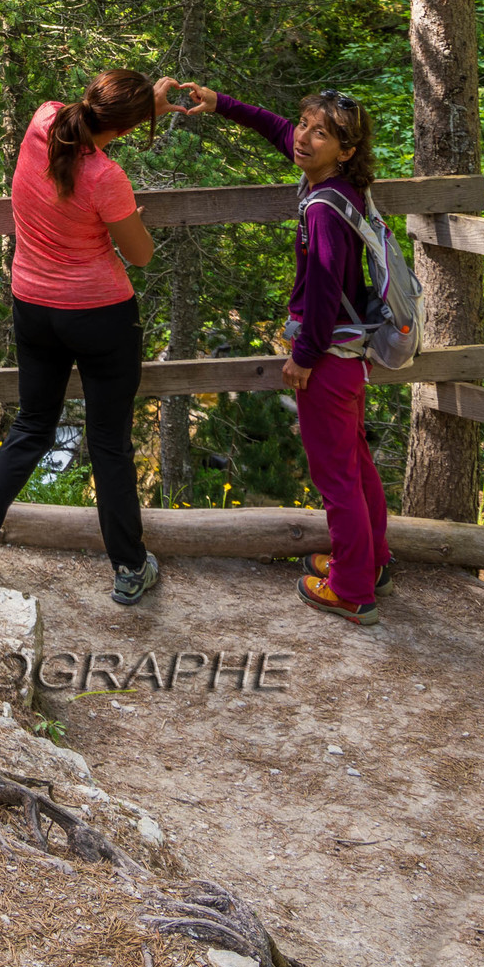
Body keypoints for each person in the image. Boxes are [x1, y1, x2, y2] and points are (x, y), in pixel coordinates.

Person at [0, 69, 168, 605]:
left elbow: (84, 120)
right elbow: (139, 255)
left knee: (32, 425)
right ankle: (130, 568)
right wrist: (129, 220)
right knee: (109, 442)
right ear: (130, 127)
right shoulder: (107, 179)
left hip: (34, 308)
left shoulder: (42, 121)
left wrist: (146, 104)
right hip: (99, 316)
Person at [175, 81, 389, 628]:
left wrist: (305, 356)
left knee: (336, 475)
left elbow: (320, 290)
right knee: (356, 464)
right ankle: (369, 561)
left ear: (345, 150)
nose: (304, 138)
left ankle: (351, 587)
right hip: (352, 353)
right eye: (305, 125)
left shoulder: (322, 210)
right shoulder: (340, 187)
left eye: (323, 134)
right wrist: (221, 104)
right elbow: (276, 127)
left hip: (331, 357)